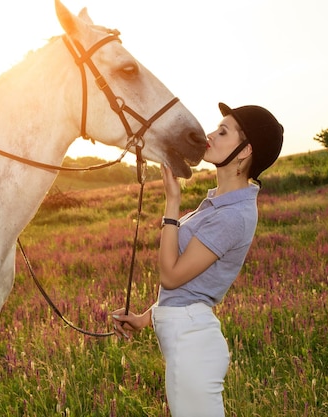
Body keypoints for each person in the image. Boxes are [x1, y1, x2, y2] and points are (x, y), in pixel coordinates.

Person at [111, 102, 284, 417]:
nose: (209, 136)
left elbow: (172, 277)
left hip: (193, 346)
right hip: (187, 341)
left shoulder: (234, 214)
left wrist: (172, 203)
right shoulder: (217, 204)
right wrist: (143, 318)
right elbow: (190, 288)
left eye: (222, 132)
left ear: (245, 151)